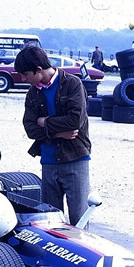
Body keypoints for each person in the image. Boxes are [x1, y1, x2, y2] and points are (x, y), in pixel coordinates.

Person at [14, 46, 91, 226]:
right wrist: (59, 132)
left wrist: (45, 122)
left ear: (39, 69)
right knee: (49, 221)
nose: (24, 79)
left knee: (79, 221)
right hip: (48, 162)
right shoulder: (33, 93)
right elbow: (30, 129)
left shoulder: (73, 84)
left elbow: (75, 121)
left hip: (75, 159)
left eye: (26, 74)